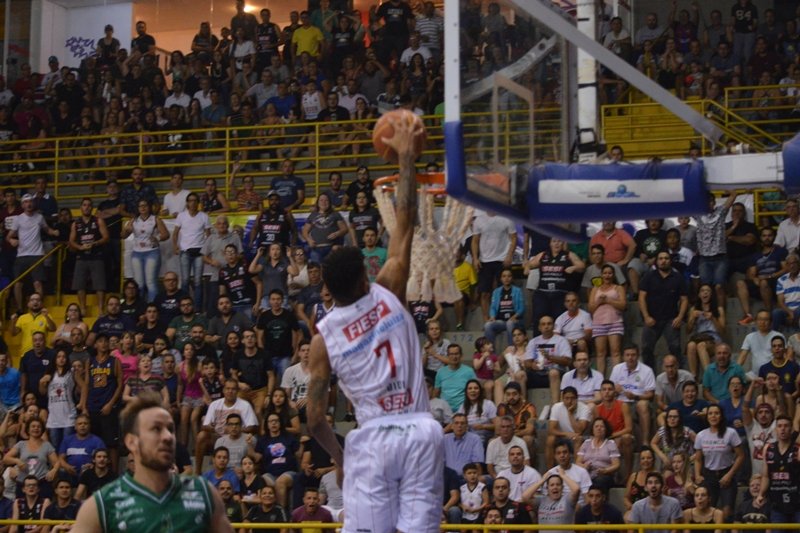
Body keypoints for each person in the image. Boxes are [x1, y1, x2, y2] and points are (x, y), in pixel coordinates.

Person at [304, 106, 442, 533]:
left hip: (372, 440)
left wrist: (341, 459)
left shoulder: (323, 339)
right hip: (420, 431)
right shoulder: (389, 287)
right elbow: (405, 220)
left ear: (328, 291)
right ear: (366, 276)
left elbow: (314, 419)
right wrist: (407, 158)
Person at [72, 392, 233, 532]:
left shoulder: (204, 493)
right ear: (131, 442)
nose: (167, 436)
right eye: (156, 429)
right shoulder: (103, 504)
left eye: (170, 429)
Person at [6, 193, 59, 311]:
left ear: (33, 203)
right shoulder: (18, 219)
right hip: (21, 255)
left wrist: (54, 232)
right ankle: (20, 309)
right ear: (22, 205)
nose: (28, 204)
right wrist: (12, 240)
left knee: (37, 283)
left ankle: (38, 308)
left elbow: (47, 229)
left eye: (30, 201)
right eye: (26, 202)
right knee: (18, 284)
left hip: (36, 254)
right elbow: (8, 236)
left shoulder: (39, 217)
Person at [694, 404, 745, 521]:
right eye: (710, 413)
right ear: (707, 416)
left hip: (726, 473)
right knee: (708, 511)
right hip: (709, 475)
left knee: (727, 511)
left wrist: (729, 475)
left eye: (716, 413)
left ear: (721, 416)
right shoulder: (701, 435)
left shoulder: (730, 433)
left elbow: (741, 456)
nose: (713, 416)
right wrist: (697, 475)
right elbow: (698, 459)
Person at [638, 251, 688, 370]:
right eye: (660, 258)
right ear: (657, 261)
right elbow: (641, 297)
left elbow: (684, 299)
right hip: (652, 318)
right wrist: (646, 317)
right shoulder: (649, 276)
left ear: (670, 261)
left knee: (675, 347)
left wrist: (680, 317)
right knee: (646, 348)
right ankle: (649, 375)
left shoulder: (678, 278)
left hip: (671, 319)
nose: (663, 261)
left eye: (666, 258)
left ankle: (679, 373)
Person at [472, 212, 517, 324]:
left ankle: (504, 318)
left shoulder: (506, 217)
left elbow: (514, 238)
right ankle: (486, 321)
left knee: (505, 291)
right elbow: (475, 240)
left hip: (502, 259)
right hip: (485, 261)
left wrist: (509, 256)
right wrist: (475, 258)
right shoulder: (479, 220)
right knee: (484, 293)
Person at [755, 414, 800, 523]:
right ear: (775, 429)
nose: (783, 429)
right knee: (777, 529)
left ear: (791, 429)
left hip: (797, 501)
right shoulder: (768, 448)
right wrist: (761, 494)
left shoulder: (797, 449)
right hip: (777, 502)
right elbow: (766, 476)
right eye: (779, 426)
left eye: (786, 426)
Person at [68, 198, 109, 317]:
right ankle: (82, 308)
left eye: (89, 205)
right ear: (81, 207)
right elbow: (71, 241)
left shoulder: (98, 220)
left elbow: (106, 237)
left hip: (96, 256)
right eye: (84, 205)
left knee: (99, 284)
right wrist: (80, 247)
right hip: (81, 257)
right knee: (79, 284)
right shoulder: (76, 223)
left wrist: (95, 243)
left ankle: (101, 309)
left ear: (92, 208)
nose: (86, 207)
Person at [122, 199, 169, 303]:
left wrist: (157, 238)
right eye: (140, 206)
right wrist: (126, 230)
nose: (143, 208)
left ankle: (152, 306)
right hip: (137, 253)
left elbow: (166, 234)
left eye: (145, 205)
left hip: (151, 252)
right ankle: (139, 306)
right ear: (138, 208)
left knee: (150, 282)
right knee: (139, 283)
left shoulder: (155, 219)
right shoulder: (134, 220)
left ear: (149, 207)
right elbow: (123, 236)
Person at [609, 344, 656, 444]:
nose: (630, 358)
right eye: (627, 355)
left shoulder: (647, 370)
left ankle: (645, 442)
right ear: (623, 356)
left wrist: (635, 396)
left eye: (633, 355)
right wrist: (615, 390)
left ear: (638, 356)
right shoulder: (617, 368)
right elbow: (609, 389)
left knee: (642, 405)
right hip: (620, 402)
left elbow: (650, 395)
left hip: (636, 402)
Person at [588, 264, 626, 374]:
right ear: (601, 275)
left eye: (610, 273)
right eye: (605, 273)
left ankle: (617, 377)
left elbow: (623, 305)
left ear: (613, 275)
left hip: (615, 322)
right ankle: (600, 378)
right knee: (600, 353)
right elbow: (590, 308)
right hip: (599, 323)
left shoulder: (618, 288)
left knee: (616, 352)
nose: (607, 275)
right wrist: (599, 302)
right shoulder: (595, 289)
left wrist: (609, 300)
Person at [545, 387, 591, 468]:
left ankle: (577, 471)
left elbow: (579, 431)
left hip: (577, 438)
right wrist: (566, 434)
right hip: (562, 437)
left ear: (577, 399)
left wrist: (570, 413)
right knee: (550, 439)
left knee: (578, 439)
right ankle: (550, 471)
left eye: (572, 398)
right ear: (562, 399)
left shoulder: (584, 408)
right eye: (567, 398)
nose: (569, 401)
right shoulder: (556, 407)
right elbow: (551, 430)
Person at [483, 267, 525, 349]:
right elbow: (493, 307)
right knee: (488, 325)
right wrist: (492, 316)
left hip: (515, 320)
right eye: (504, 276)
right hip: (501, 321)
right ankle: (490, 351)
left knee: (510, 323)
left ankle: (511, 349)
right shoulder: (496, 292)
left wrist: (515, 316)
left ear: (512, 278)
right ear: (501, 279)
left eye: (509, 276)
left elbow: (521, 308)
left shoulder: (517, 290)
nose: (506, 278)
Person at [575, 418, 621, 492]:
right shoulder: (586, 443)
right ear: (592, 429)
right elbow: (577, 462)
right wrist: (584, 466)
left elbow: (616, 465)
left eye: (602, 426)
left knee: (599, 481)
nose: (599, 428)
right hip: (587, 473)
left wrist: (605, 470)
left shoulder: (610, 444)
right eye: (596, 426)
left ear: (606, 429)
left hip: (604, 475)